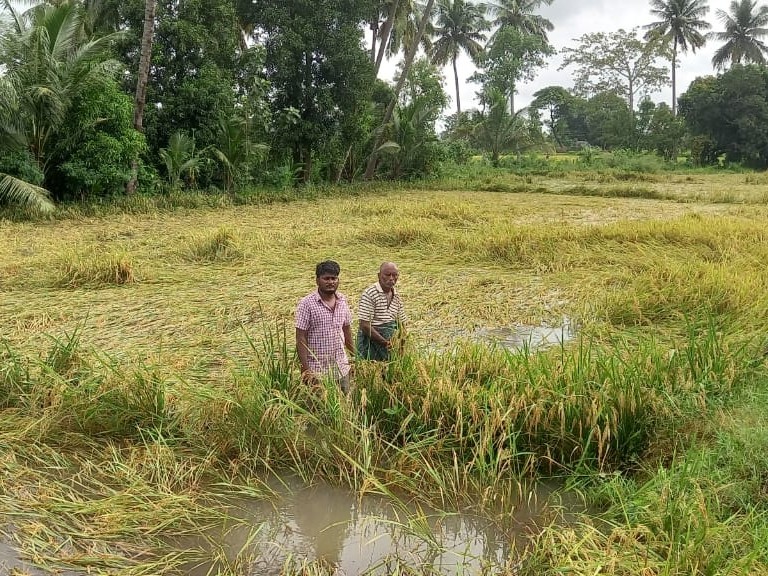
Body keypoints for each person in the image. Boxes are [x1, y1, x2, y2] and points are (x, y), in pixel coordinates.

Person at [295, 260, 355, 392]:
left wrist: (355, 357)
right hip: (317, 370)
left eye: (334, 278)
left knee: (346, 405)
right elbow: (301, 338)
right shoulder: (307, 304)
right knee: (320, 409)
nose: (331, 282)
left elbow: (347, 330)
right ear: (317, 280)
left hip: (341, 367)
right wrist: (305, 368)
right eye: (326, 278)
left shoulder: (342, 301)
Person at [357, 262, 406, 361]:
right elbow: (364, 325)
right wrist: (385, 343)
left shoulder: (396, 296)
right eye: (387, 275)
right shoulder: (370, 293)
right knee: (372, 370)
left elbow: (402, 323)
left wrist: (401, 343)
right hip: (371, 342)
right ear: (379, 276)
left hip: (390, 341)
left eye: (395, 275)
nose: (391, 278)